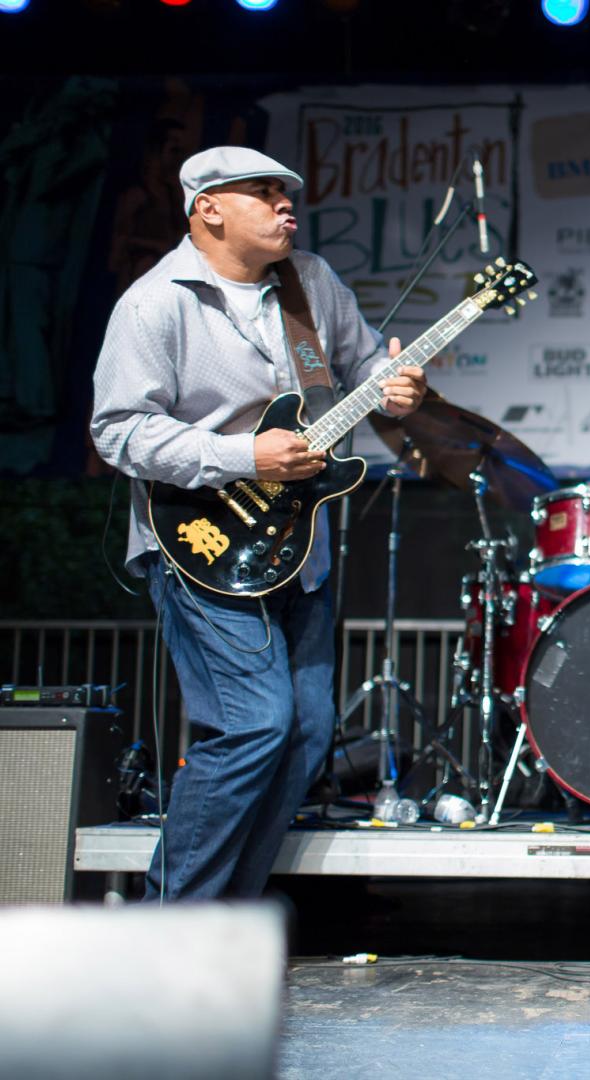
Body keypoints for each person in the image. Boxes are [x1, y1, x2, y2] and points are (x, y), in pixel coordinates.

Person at [91, 146, 427, 900]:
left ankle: (223, 918)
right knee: (252, 727)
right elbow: (117, 432)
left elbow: (367, 366)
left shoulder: (310, 282)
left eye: (288, 195)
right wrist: (244, 455)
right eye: (265, 193)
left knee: (305, 738)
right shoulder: (155, 304)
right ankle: (169, 926)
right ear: (207, 206)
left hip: (298, 547)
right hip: (200, 545)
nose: (287, 206)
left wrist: (396, 389)